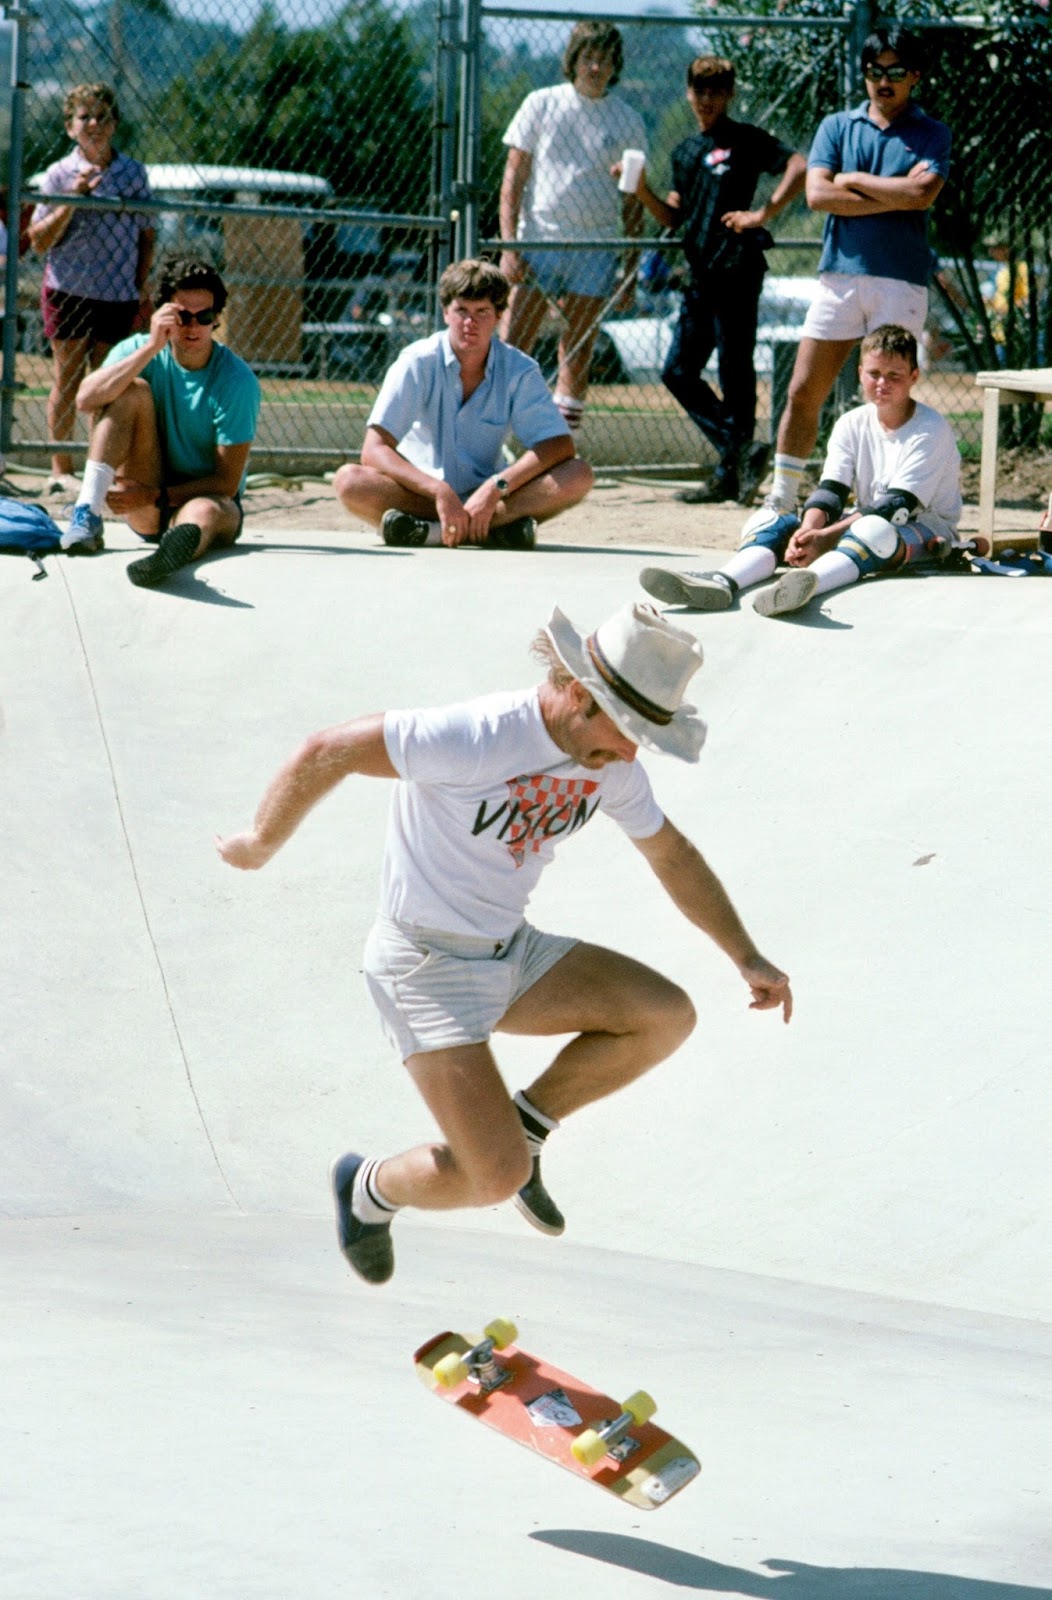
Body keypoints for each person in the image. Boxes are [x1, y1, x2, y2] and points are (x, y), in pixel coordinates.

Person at [216, 602, 793, 1284]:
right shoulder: (476, 735)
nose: (627, 756)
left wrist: (744, 953)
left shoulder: (611, 765)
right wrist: (259, 843)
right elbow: (326, 749)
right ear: (580, 693)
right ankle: (369, 1188)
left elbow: (671, 855)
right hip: (424, 968)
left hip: (510, 954)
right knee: (491, 1178)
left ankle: (528, 1123)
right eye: (623, 734)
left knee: (664, 1015)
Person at [753, 26, 951, 529]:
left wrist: (855, 180)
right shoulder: (837, 127)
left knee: (890, 393)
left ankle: (887, 504)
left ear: (915, 76)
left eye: (895, 72)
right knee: (802, 390)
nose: (883, 82)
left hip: (900, 281)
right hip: (839, 277)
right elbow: (817, 196)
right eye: (873, 72)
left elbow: (922, 195)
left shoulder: (931, 133)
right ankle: (781, 499)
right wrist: (893, 193)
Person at [640, 324, 976, 618]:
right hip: (865, 521)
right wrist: (807, 533)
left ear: (914, 377)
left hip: (924, 532)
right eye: (874, 373)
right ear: (860, 371)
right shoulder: (851, 423)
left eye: (894, 376)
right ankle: (724, 581)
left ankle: (806, 585)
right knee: (770, 519)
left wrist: (827, 537)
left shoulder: (930, 428)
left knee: (875, 530)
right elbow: (831, 491)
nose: (881, 384)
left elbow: (896, 507)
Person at [626, 56, 806, 506]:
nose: (706, 100)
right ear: (688, 93)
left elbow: (798, 166)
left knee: (734, 369)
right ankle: (741, 451)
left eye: (716, 91)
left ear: (728, 95)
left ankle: (733, 475)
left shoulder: (744, 139)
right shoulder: (685, 152)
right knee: (678, 370)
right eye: (699, 91)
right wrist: (642, 189)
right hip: (700, 273)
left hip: (737, 268)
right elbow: (674, 215)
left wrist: (763, 214)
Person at [333, 258, 593, 549]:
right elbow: (374, 449)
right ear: (445, 312)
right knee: (349, 481)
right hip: (421, 495)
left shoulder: (520, 369)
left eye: (482, 311)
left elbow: (558, 445)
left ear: (498, 316)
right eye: (461, 311)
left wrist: (497, 486)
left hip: (491, 496)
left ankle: (432, 532)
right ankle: (492, 531)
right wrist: (438, 490)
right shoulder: (416, 361)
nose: (470, 323)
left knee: (578, 474)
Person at [65, 255, 261, 586]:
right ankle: (87, 512)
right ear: (163, 315)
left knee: (207, 513)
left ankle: (169, 557)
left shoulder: (236, 380)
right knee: (131, 390)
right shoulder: (142, 349)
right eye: (182, 316)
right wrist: (152, 347)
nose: (193, 326)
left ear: (216, 321)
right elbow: (85, 399)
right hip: (144, 490)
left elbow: (227, 482)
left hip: (199, 497)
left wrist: (156, 496)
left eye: (205, 316)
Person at [499, 21, 645, 432]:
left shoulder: (628, 119)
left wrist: (630, 270)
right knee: (515, 341)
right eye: (588, 57)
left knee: (579, 348)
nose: (596, 66)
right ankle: (497, 432)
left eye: (605, 58)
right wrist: (510, 246)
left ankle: (558, 444)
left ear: (615, 64)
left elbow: (633, 200)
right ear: (574, 60)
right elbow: (513, 178)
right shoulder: (540, 103)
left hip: (596, 246)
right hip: (540, 238)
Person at [28, 83, 154, 498]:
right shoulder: (58, 174)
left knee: (108, 381)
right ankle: (60, 467)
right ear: (70, 127)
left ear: (115, 124)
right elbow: (40, 239)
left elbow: (146, 231)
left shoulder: (132, 173)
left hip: (116, 290)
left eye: (102, 116)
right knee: (68, 376)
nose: (94, 124)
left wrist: (140, 284)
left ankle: (100, 468)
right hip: (69, 288)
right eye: (84, 117)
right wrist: (74, 197)